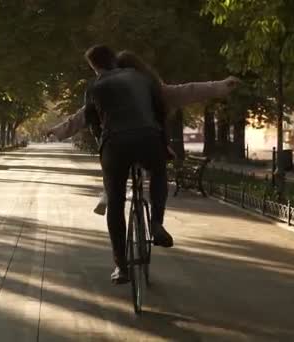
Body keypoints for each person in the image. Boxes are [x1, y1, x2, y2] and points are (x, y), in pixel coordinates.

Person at [48, 51, 240, 215]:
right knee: (155, 166)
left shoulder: (109, 92)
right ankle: (155, 219)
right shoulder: (153, 89)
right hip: (150, 143)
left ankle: (110, 193)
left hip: (116, 144)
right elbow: (188, 91)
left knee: (114, 167)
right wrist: (220, 86)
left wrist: (58, 131)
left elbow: (83, 116)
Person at [81, 44, 173, 284]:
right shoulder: (143, 78)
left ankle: (121, 267)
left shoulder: (94, 87)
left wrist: (102, 140)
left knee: (115, 201)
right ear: (115, 59)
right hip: (148, 139)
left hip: (116, 145)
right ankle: (156, 223)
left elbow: (91, 122)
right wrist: (163, 143)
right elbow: (160, 110)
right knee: (159, 172)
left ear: (94, 66)